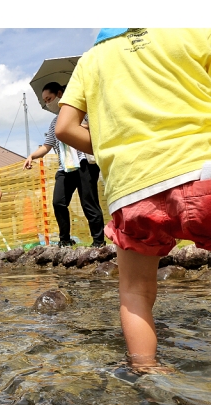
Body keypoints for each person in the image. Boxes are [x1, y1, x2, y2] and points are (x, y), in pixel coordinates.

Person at [55, 28, 211, 371]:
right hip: (200, 169)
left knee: (136, 291)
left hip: (131, 189)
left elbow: (64, 127)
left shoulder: (91, 59)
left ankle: (148, 371)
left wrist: (115, 146)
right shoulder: (193, 29)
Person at [23, 82, 105, 248]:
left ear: (60, 94)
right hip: (65, 167)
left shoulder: (82, 112)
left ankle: (98, 242)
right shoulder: (54, 123)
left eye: (49, 98)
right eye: (45, 101)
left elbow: (98, 127)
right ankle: (65, 240)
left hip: (84, 163)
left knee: (89, 203)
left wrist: (82, 125)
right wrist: (32, 156)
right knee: (58, 202)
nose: (47, 103)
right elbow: (47, 146)